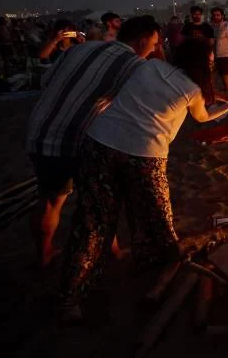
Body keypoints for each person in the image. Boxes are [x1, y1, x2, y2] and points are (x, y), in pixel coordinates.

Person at [58, 39, 228, 318]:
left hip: (99, 142)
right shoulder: (191, 89)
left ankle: (70, 297)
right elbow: (204, 117)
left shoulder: (150, 66)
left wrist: (223, 98)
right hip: (143, 155)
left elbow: (170, 93)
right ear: (200, 64)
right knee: (156, 217)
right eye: (209, 60)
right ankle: (160, 272)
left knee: (92, 221)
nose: (211, 64)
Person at [26, 16, 161, 268]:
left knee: (50, 199)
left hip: (39, 132)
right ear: (142, 40)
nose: (154, 49)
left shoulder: (80, 48)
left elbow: (45, 81)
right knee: (101, 200)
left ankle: (43, 255)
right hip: (78, 140)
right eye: (153, 43)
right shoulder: (133, 65)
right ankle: (113, 252)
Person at [211, 7, 228, 97]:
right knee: (219, 81)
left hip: (227, 57)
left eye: (218, 15)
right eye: (214, 15)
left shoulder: (227, 27)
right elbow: (213, 44)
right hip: (217, 57)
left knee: (227, 81)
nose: (216, 17)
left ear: (222, 16)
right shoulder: (213, 28)